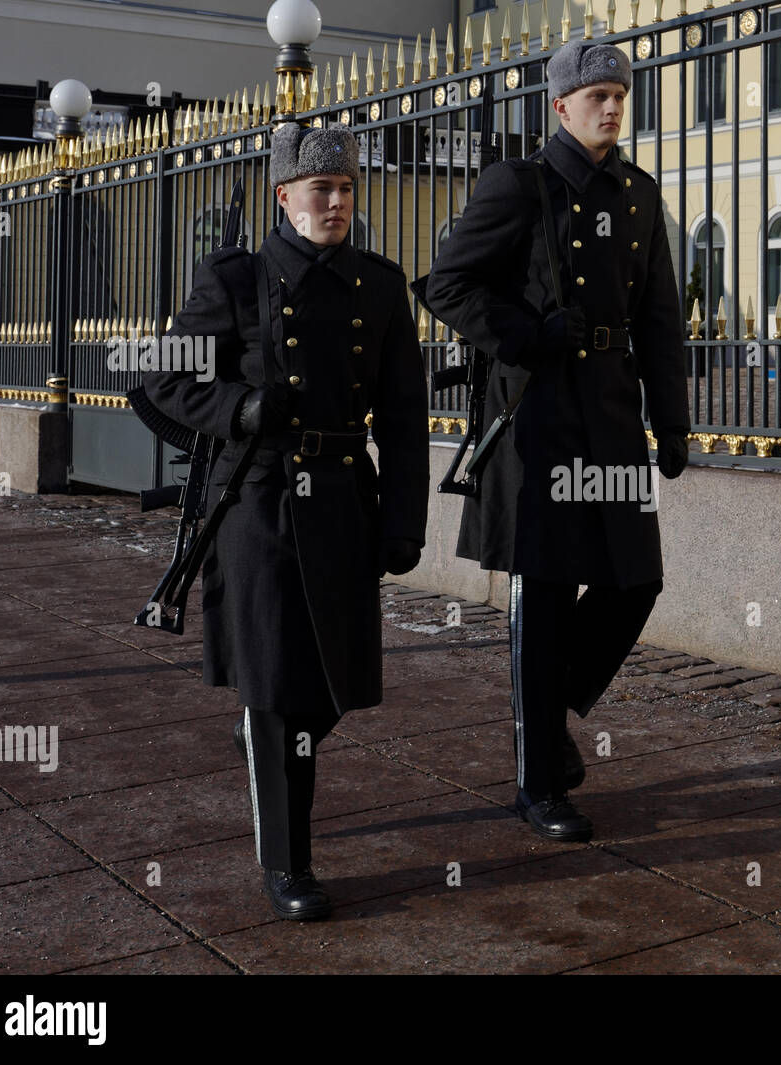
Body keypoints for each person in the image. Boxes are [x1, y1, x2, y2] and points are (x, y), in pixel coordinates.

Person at [143, 122, 428, 920]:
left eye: (345, 189)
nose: (336, 202)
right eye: (319, 190)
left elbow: (404, 417)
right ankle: (288, 863)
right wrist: (240, 406)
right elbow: (167, 380)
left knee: (334, 684)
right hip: (259, 499)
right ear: (283, 197)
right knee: (273, 681)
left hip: (344, 500)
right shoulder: (235, 279)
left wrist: (406, 520)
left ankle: (263, 746)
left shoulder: (378, 285)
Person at [426, 41, 690, 842]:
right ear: (560, 107)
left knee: (634, 579)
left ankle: (549, 715)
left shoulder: (638, 194)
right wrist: (527, 332)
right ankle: (538, 781)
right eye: (596, 96)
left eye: (619, 94)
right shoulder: (521, 184)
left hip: (609, 414)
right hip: (537, 412)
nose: (611, 107)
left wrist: (670, 417)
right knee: (541, 599)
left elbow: (660, 317)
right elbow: (446, 285)